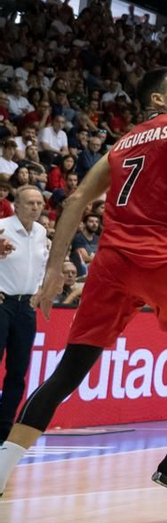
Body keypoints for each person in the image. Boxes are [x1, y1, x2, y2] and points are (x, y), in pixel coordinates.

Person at [0, 68, 167, 499]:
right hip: (161, 258)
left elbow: (78, 198)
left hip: (111, 264)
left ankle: (3, 462)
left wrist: (52, 272)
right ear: (157, 101)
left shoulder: (121, 145)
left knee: (69, 370)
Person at [0, 187, 50, 442]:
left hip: (25, 308)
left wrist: (40, 290)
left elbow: (41, 264)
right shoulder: (2, 228)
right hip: (2, 304)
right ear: (16, 205)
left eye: (39, 203)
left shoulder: (41, 232)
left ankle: (4, 429)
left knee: (18, 371)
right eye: (30, 202)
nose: (35, 207)